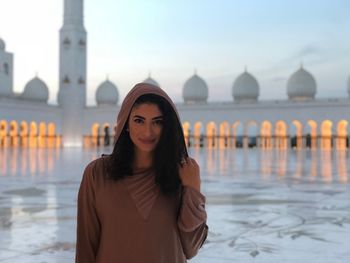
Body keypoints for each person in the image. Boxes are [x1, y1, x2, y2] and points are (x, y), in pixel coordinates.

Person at [76, 83, 208, 263]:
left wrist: (192, 190)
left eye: (157, 122)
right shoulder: (97, 174)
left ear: (167, 126)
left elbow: (191, 248)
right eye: (139, 120)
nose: (148, 131)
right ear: (126, 123)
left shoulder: (180, 173)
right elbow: (86, 247)